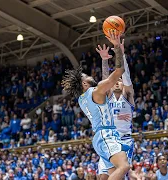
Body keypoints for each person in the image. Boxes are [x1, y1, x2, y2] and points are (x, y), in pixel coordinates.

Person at [62, 30, 130, 180]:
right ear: (84, 83)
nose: (88, 75)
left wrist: (104, 60)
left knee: (115, 175)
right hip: (106, 135)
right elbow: (119, 71)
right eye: (85, 76)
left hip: (101, 137)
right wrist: (117, 46)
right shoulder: (95, 91)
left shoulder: (83, 98)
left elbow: (105, 85)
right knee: (124, 166)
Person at [96, 39, 135, 180]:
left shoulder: (128, 95)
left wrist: (121, 54)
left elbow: (127, 79)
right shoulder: (108, 96)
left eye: (119, 81)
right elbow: (105, 80)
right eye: (115, 81)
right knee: (103, 178)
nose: (117, 83)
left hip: (123, 141)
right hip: (107, 141)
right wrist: (104, 60)